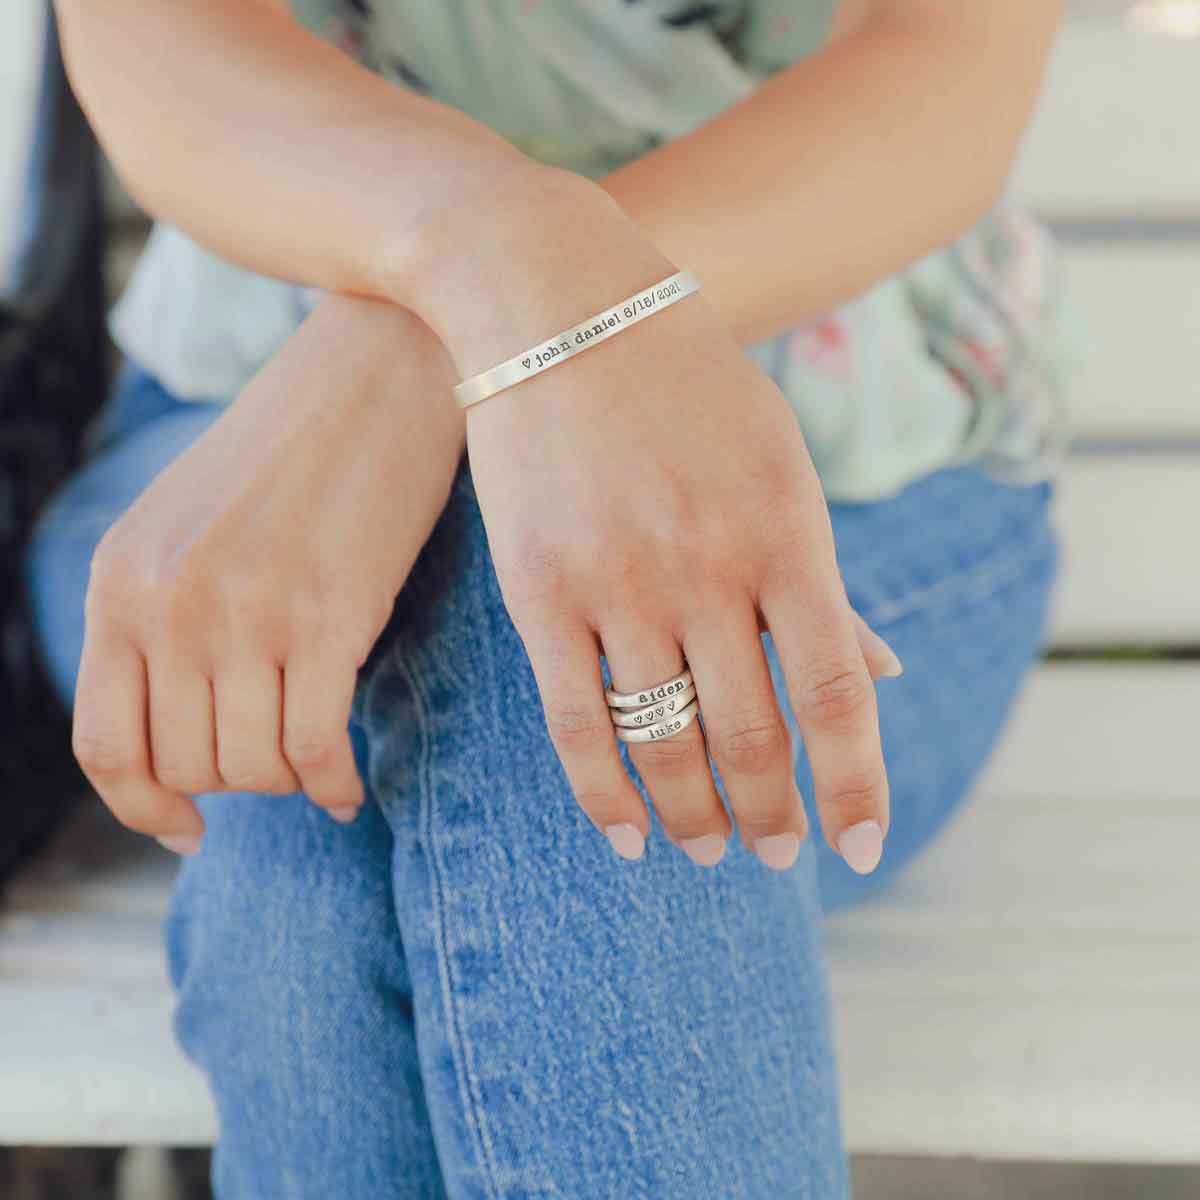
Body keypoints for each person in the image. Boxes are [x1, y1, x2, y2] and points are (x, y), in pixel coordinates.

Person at [30, 1, 1064, 1195]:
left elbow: (943, 65)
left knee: (485, 734)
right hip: (245, 431)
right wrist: (489, 269)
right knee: (500, 713)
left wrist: (458, 333)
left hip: (859, 457)